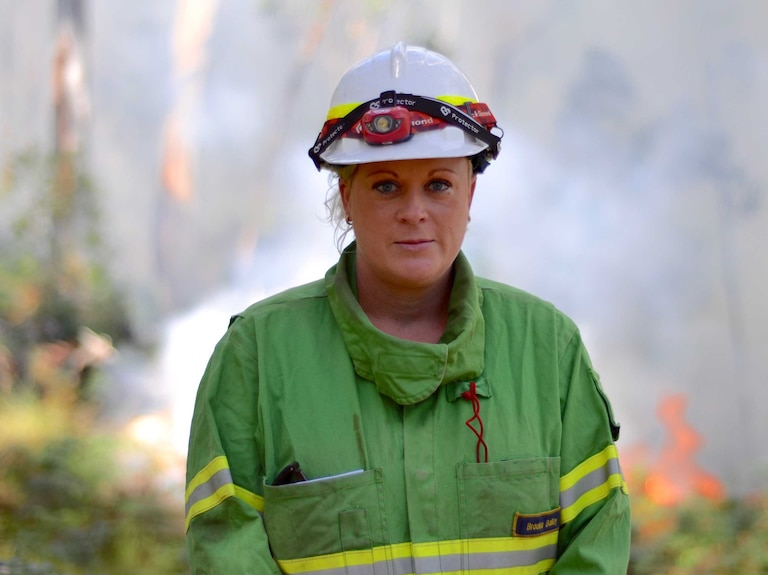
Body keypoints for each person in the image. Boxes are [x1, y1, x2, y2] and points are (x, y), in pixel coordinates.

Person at [184, 42, 631, 574]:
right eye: (386, 186)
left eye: (438, 184)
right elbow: (227, 549)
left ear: (469, 196)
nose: (414, 212)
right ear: (346, 199)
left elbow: (595, 539)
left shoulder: (546, 349)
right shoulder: (257, 355)